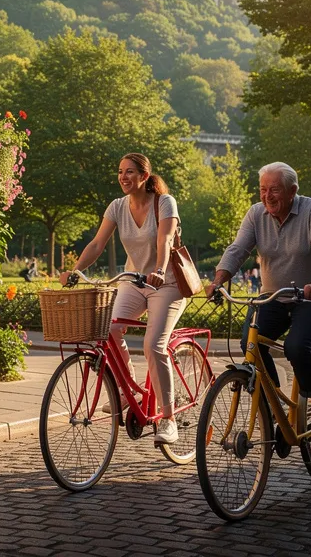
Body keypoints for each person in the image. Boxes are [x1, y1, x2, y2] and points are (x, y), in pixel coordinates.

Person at [208, 161, 311, 446]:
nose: (267, 196)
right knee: (249, 345)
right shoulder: (257, 214)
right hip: (274, 297)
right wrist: (219, 280)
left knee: (296, 346)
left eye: (275, 190)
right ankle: (275, 408)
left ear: (292, 191)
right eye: (263, 189)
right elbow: (238, 249)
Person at [58, 153, 185, 445]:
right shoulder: (117, 207)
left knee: (154, 346)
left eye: (130, 172)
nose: (123, 177)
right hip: (134, 281)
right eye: (119, 172)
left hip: (166, 283)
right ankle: (129, 390)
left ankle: (168, 419)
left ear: (144, 176)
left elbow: (164, 240)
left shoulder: (164, 202)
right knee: (109, 328)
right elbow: (97, 243)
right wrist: (75, 271)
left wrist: (160, 269)